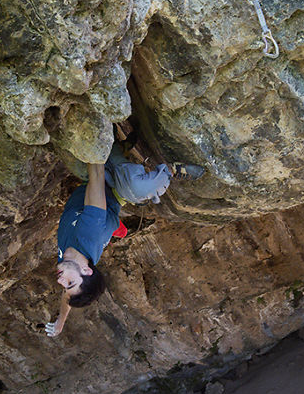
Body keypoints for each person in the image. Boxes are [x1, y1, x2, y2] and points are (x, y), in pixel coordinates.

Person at [45, 137, 203, 338]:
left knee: (72, 150)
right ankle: (171, 171)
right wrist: (93, 130)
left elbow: (68, 295)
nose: (61, 282)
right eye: (69, 283)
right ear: (86, 270)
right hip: (113, 188)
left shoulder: (68, 262)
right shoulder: (89, 233)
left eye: (65, 285)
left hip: (92, 193)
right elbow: (96, 172)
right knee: (140, 188)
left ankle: (121, 151)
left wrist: (61, 320)